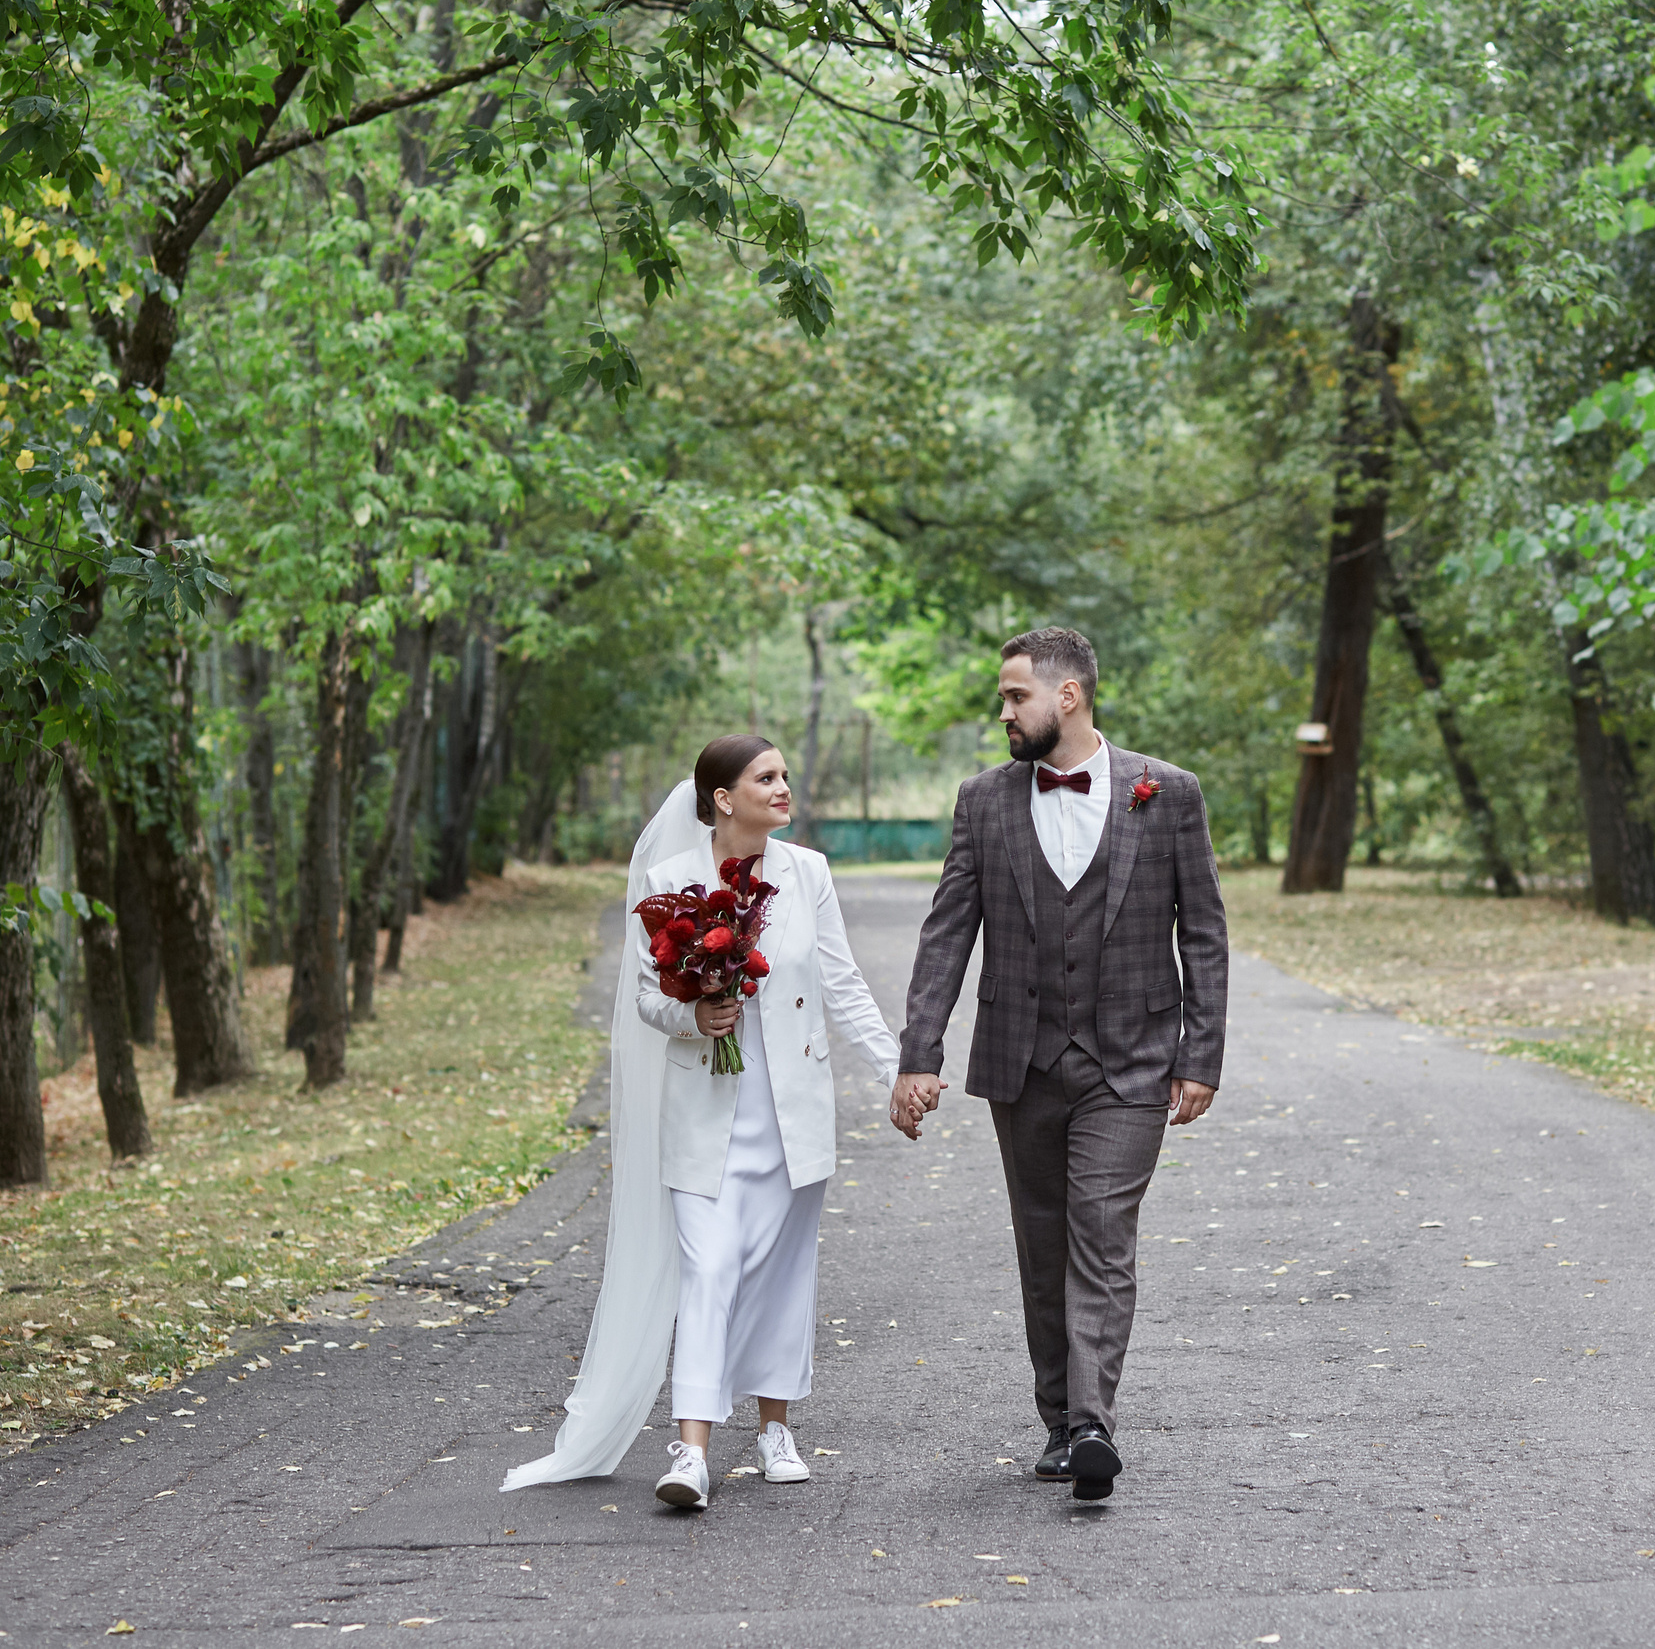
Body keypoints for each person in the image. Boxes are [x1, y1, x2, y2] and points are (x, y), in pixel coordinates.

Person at [501, 736, 899, 1510]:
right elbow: (647, 1000)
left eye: (786, 773)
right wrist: (696, 1010)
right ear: (722, 797)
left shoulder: (807, 873)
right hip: (705, 1108)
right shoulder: (664, 883)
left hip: (792, 1111)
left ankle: (775, 1429)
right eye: (767, 777)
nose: (785, 786)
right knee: (710, 1268)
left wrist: (897, 1070)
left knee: (783, 1274)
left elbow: (841, 982)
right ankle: (691, 1448)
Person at [892, 627, 1228, 1500]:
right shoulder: (983, 800)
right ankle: (1056, 1417)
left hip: (1135, 1061)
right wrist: (917, 1054)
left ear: (1067, 695)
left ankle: (1092, 1424)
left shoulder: (1170, 793)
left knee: (1101, 1234)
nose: (1003, 711)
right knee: (1043, 1246)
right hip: (1024, 1057)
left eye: (1015, 696)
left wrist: (1202, 1054)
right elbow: (946, 934)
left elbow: (1204, 931)